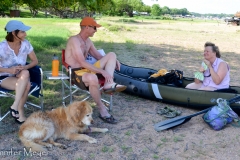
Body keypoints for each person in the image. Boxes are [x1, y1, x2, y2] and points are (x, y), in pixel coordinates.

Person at [65, 17, 126, 124]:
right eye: (94, 28)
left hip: (87, 70)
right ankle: (102, 109)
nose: (96, 30)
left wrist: (115, 60)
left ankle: (108, 84)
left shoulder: (88, 41)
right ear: (87, 27)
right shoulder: (74, 40)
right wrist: (101, 71)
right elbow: (82, 62)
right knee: (93, 78)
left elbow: (98, 56)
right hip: (76, 73)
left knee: (111, 54)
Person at [0, 20, 38, 124]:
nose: (25, 34)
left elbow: (35, 61)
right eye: (22, 32)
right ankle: (20, 112)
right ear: (13, 32)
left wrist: (25, 66)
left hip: (20, 75)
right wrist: (9, 70)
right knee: (27, 84)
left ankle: (15, 106)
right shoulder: (2, 47)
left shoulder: (26, 44)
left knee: (25, 73)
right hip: (4, 77)